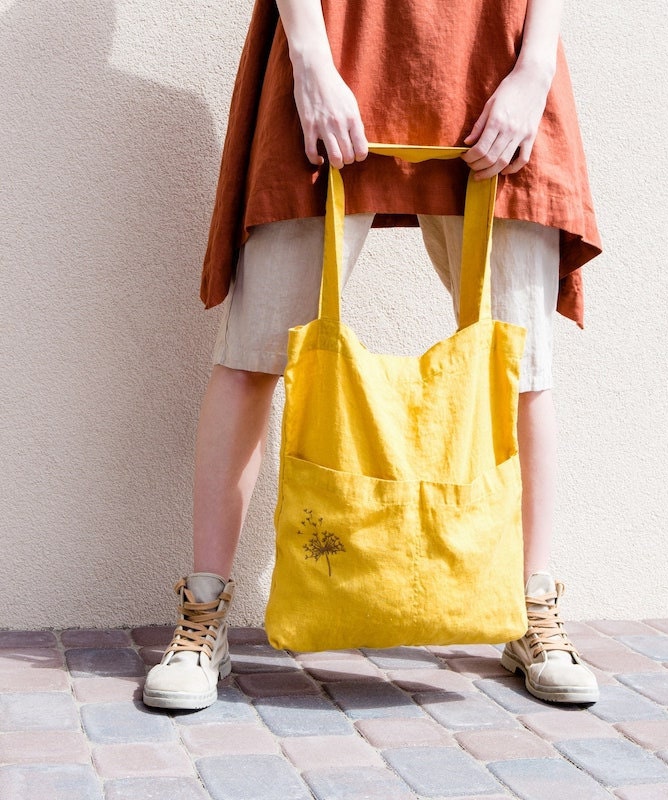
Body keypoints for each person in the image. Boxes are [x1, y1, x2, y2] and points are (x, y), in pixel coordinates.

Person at [143, 0, 603, 710]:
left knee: (521, 364)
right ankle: (204, 613)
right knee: (253, 352)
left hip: (494, 61)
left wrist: (534, 68)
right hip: (334, 48)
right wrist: (309, 60)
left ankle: (528, 604)